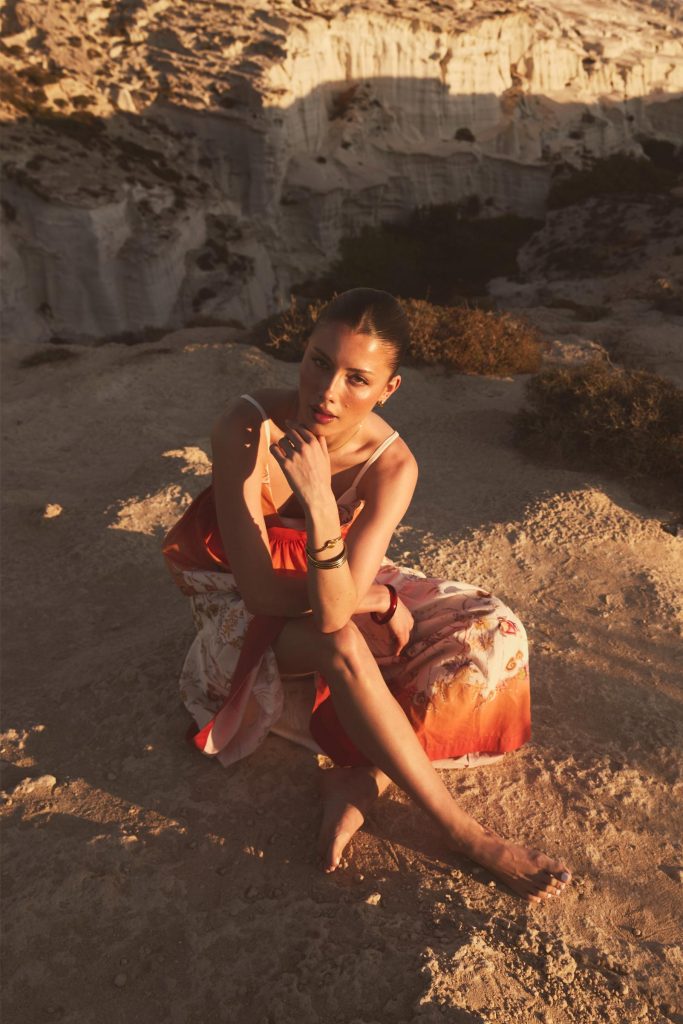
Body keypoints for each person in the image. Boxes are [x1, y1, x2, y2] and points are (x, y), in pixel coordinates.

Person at [162, 288, 571, 903]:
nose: (327, 392)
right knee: (342, 643)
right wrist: (366, 582)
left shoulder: (392, 465)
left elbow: (338, 590)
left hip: (334, 582)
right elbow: (265, 593)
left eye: (357, 378)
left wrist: (356, 570)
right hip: (243, 611)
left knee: (495, 630)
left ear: (388, 388)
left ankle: (366, 776)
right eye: (319, 362)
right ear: (303, 353)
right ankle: (464, 832)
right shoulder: (244, 427)